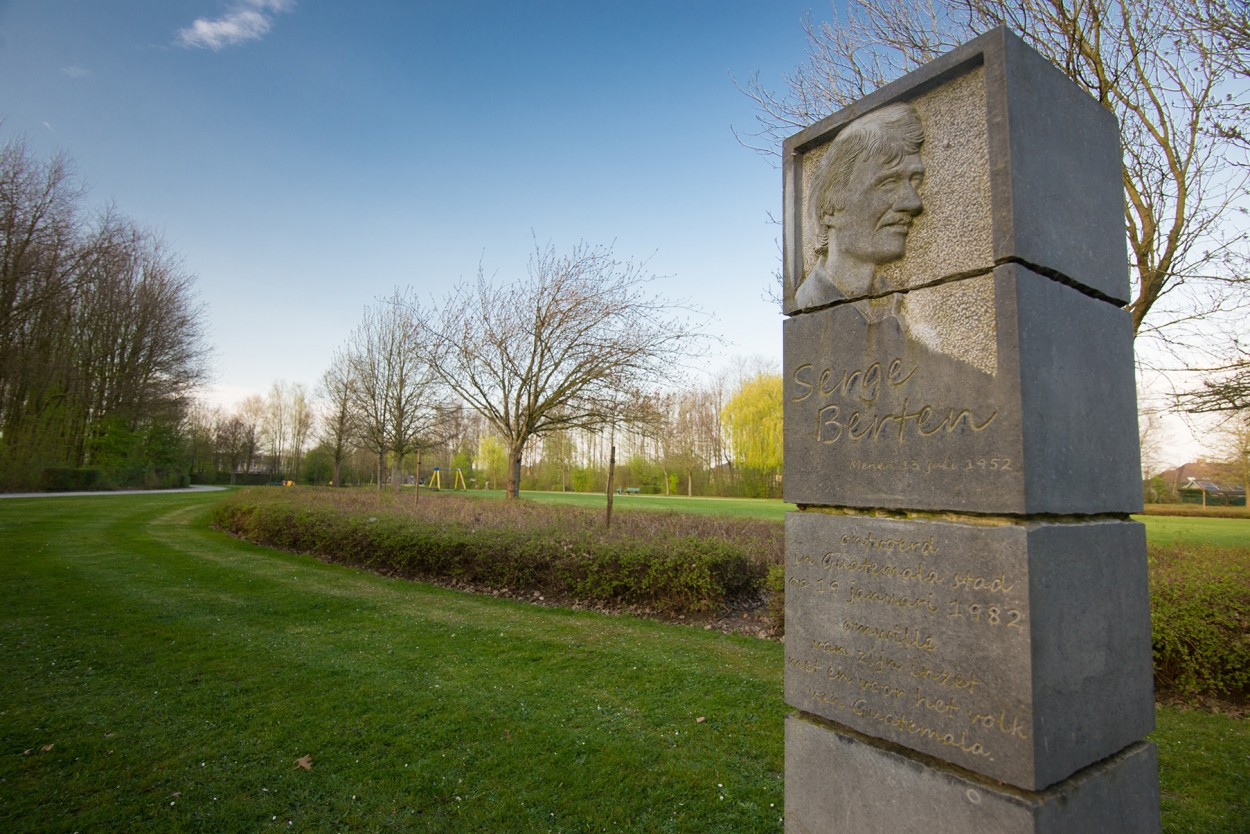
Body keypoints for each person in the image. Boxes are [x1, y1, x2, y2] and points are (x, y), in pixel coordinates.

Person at [796, 102, 926, 310]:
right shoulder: (809, 298)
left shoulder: (895, 302)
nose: (913, 203)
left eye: (914, 182)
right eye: (889, 183)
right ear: (829, 206)